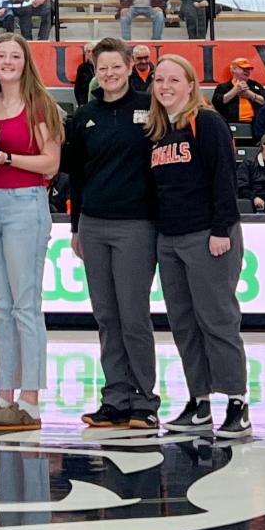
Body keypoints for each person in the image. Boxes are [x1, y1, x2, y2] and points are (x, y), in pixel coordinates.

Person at [147, 54, 250, 438]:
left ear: (190, 85)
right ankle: (199, 402)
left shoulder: (206, 122)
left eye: (174, 79)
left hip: (208, 235)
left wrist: (221, 229)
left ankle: (237, 403)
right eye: (159, 80)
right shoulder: (158, 131)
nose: (165, 86)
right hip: (170, 239)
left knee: (218, 320)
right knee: (184, 324)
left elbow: (224, 178)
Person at [67, 37, 160, 429]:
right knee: (106, 316)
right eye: (102, 68)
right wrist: (76, 226)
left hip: (137, 224)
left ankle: (144, 400)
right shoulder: (84, 116)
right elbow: (76, 176)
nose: (109, 74)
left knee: (133, 315)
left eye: (116, 67)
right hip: (94, 224)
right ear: (95, 71)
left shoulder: (150, 108)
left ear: (129, 67)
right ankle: (115, 397)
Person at [0, 34, 63, 428]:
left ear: (26, 62)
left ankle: (30, 399)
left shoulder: (39, 104)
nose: (7, 62)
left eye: (15, 56)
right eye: (1, 56)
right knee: (1, 304)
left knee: (25, 304)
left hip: (25, 203)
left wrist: (9, 158)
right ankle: (5, 395)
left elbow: (50, 163)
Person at [211, 57, 265, 124]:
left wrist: (251, 95)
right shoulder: (223, 87)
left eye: (248, 69)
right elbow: (216, 103)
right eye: (243, 69)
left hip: (255, 124)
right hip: (231, 123)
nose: (246, 71)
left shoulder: (255, 85)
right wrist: (235, 91)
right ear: (233, 69)